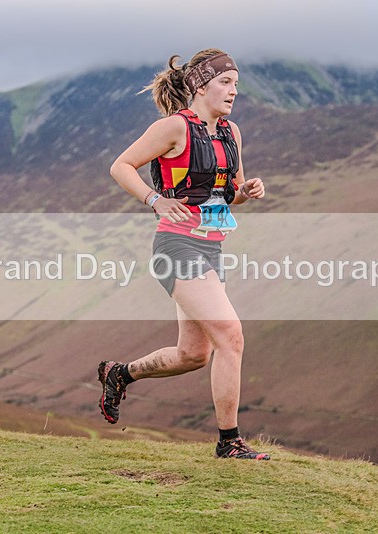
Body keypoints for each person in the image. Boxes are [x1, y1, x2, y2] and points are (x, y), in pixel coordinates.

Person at [99, 48, 269, 460]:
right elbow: (121, 166)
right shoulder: (174, 128)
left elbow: (232, 194)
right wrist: (153, 199)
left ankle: (120, 375)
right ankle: (229, 442)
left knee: (194, 354)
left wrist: (246, 192)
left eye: (236, 85)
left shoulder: (232, 133)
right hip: (175, 247)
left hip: (212, 248)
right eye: (226, 83)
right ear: (200, 85)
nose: (233, 92)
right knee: (231, 335)